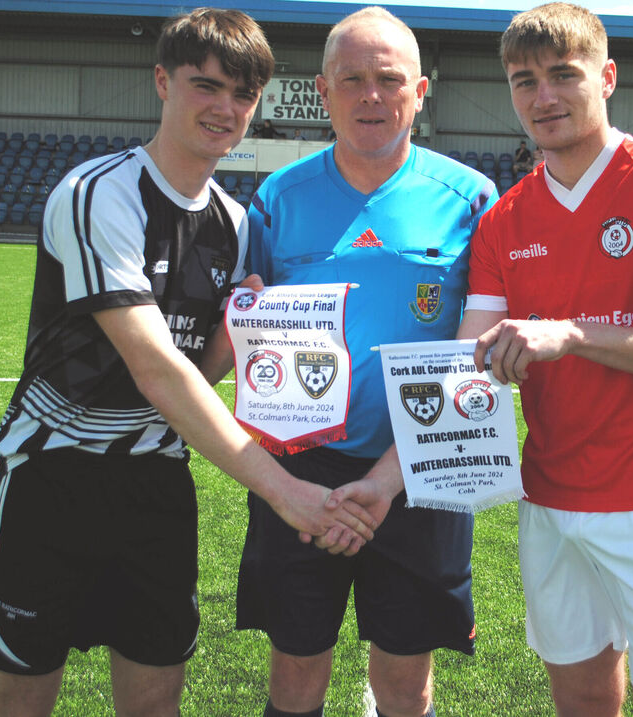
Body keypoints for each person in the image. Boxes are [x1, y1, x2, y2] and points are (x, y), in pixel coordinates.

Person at [0, 9, 376, 716]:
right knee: (21, 697)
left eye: (243, 95)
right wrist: (288, 493)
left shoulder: (235, 219)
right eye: (206, 86)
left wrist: (241, 329)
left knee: (157, 695)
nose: (225, 109)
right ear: (162, 81)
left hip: (157, 483)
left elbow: (199, 370)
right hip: (52, 477)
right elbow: (155, 368)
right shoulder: (97, 193)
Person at [456, 3, 633, 716]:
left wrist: (574, 333)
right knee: (580, 698)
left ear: (606, 77)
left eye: (562, 75)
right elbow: (471, 351)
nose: (542, 97)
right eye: (524, 81)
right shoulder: (503, 218)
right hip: (549, 501)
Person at [236, 7, 498, 717]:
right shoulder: (275, 200)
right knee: (294, 670)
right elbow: (244, 332)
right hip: (303, 467)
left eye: (389, 80)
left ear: (421, 90)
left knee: (407, 680)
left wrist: (386, 480)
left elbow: (480, 354)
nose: (371, 96)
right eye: (352, 79)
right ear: (322, 92)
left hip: (422, 464)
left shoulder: (472, 199)